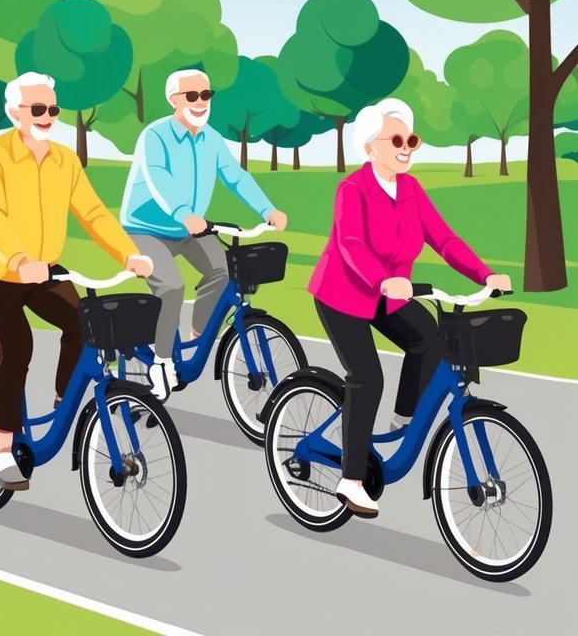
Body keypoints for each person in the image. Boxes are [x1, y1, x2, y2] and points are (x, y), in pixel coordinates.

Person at [309, 98, 510, 518]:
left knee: (431, 340)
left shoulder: (411, 189)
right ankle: (351, 480)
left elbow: (445, 239)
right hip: (343, 295)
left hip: (391, 294)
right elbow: (350, 246)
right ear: (370, 148)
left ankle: (403, 421)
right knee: (367, 377)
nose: (407, 148)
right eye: (397, 140)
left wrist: (484, 275)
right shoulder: (352, 189)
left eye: (412, 140)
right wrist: (382, 279)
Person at [0, 71, 153, 491]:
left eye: (53, 108)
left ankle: (61, 402)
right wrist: (17, 258)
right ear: (15, 113)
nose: (48, 115)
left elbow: (94, 212)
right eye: (38, 109)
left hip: (44, 271)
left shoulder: (65, 159)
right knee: (17, 347)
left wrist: (128, 253)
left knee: (83, 324)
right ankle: (1, 452)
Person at [120, 69, 287, 385]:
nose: (200, 102)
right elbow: (158, 178)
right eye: (192, 96)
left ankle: (198, 334)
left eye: (206, 95)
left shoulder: (212, 138)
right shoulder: (154, 136)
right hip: (144, 228)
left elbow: (235, 176)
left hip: (190, 230)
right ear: (173, 100)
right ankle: (163, 362)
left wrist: (267, 209)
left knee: (223, 271)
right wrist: (183, 213)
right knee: (171, 287)